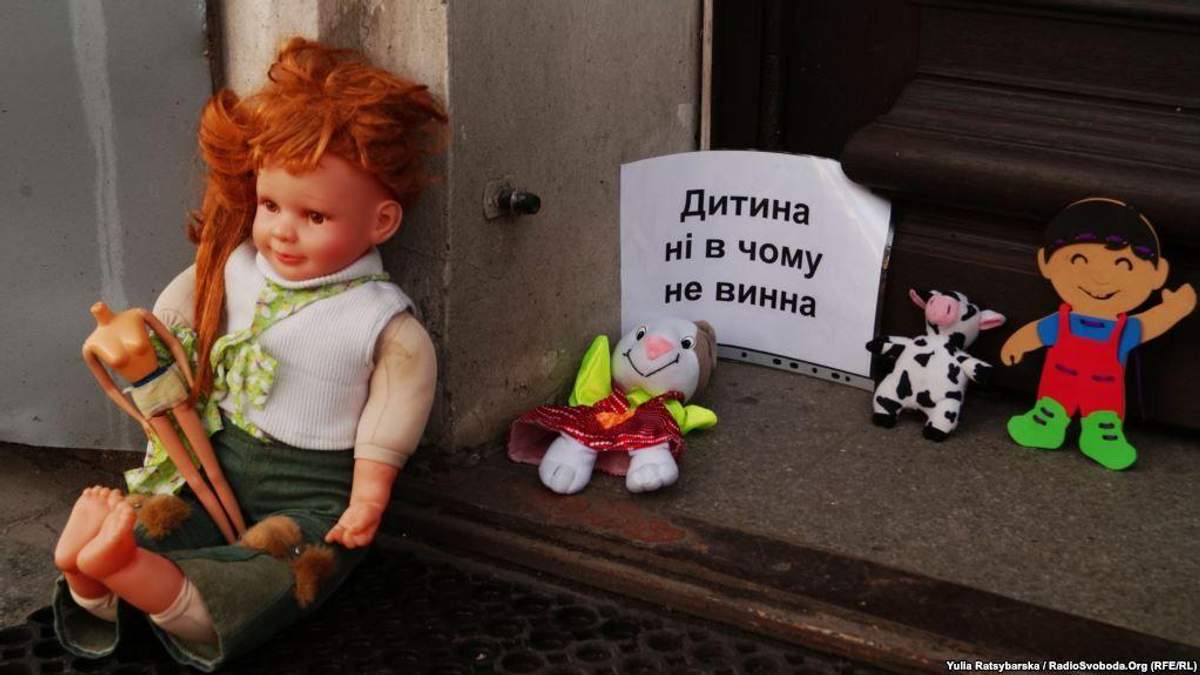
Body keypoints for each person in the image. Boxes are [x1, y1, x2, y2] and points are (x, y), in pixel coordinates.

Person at [53, 38, 446, 670]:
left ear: (381, 222)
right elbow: (176, 317)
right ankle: (98, 573)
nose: (282, 230)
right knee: (167, 521)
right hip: (219, 461)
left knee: (288, 569)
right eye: (269, 205)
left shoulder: (378, 318)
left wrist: (369, 497)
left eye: (314, 217)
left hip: (312, 495)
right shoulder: (235, 267)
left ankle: (118, 573)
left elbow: (391, 413)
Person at [1002, 197, 1195, 470]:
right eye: (1079, 259)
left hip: (1103, 397)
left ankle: (1102, 440)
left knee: (1103, 421)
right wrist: (1017, 343)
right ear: (1045, 262)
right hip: (1057, 390)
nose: (1101, 277)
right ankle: (1043, 427)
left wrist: (1174, 310)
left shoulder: (1125, 329)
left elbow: (1153, 322)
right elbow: (1036, 332)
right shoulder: (1061, 321)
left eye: (1124, 264)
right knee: (1049, 410)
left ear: (1158, 274)